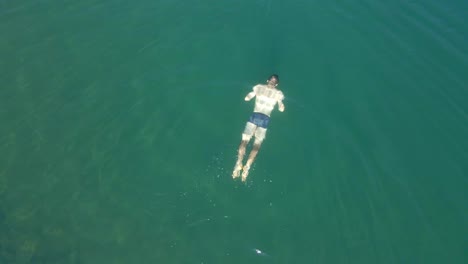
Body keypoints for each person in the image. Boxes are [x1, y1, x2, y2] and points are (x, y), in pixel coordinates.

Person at [232, 74, 285, 181]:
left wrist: (254, 94)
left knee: (244, 141)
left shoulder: (258, 87)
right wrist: (279, 101)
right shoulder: (278, 93)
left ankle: (238, 163)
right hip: (265, 119)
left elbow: (246, 99)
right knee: (256, 146)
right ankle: (247, 167)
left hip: (254, 116)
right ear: (277, 84)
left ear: (268, 80)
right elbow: (281, 109)